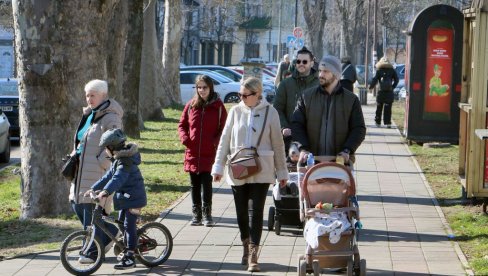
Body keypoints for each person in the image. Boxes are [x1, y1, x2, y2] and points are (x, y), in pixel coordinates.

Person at [211, 77, 288, 272]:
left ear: (257, 94)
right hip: (238, 168)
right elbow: (224, 140)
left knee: (256, 212)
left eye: (245, 95)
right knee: (241, 212)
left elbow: (278, 144)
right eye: (240, 94)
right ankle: (245, 245)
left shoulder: (271, 113)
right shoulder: (235, 112)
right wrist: (218, 167)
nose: (242, 98)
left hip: (262, 168)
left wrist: (282, 172)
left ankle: (254, 253)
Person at [69, 79, 124, 264]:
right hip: (80, 169)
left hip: (96, 171)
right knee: (76, 204)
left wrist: (101, 163)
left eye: (93, 95)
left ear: (103, 95)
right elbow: (82, 140)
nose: (89, 98)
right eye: (87, 95)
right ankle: (110, 234)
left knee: (89, 210)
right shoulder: (89, 114)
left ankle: (92, 252)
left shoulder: (111, 116)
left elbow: (117, 143)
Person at [86, 128, 147, 270]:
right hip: (126, 198)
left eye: (105, 148)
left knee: (128, 225)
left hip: (135, 198)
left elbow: (118, 179)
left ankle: (130, 256)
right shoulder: (118, 159)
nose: (105, 151)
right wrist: (93, 188)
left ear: (111, 147)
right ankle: (130, 244)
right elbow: (108, 176)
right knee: (121, 224)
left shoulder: (125, 161)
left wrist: (106, 191)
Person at [292, 55, 366, 164]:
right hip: (311, 162)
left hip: (340, 162)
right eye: (320, 71)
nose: (321, 75)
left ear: (336, 75)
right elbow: (296, 123)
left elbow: (359, 129)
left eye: (326, 71)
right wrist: (303, 148)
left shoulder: (351, 100)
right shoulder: (306, 97)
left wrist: (347, 150)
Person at [178, 75, 227, 227]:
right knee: (194, 185)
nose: (202, 90)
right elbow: (182, 125)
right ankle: (196, 214)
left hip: (209, 153)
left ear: (210, 87)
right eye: (199, 87)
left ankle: (207, 214)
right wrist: (186, 139)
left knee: (206, 184)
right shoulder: (191, 105)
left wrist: (214, 142)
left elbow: (224, 129)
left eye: (204, 87)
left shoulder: (218, 107)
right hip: (192, 152)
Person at [274, 46, 319, 154]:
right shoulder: (285, 84)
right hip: (289, 137)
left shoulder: (320, 85)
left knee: (312, 169)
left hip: (314, 138)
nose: (301, 64)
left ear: (312, 63)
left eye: (305, 61)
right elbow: (277, 108)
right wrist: (284, 126)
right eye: (298, 61)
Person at [369, 56, 399, 128]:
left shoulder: (379, 71)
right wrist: (393, 87)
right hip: (389, 92)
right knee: (388, 108)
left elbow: (375, 80)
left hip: (381, 92)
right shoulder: (392, 70)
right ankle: (388, 123)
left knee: (379, 108)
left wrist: (371, 87)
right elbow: (397, 80)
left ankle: (378, 122)